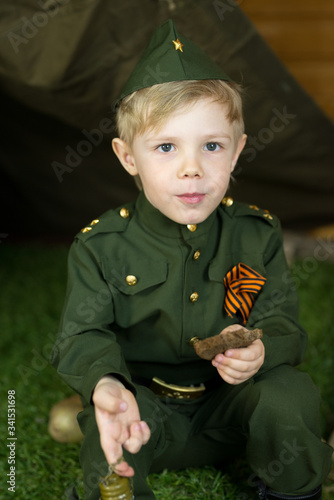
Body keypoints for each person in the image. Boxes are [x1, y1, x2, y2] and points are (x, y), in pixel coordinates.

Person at [51, 19, 332, 500]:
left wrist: (263, 352)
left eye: (212, 146)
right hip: (149, 417)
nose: (191, 168)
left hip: (232, 411)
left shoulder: (256, 233)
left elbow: (284, 326)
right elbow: (82, 336)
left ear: (237, 151)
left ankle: (292, 489)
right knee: (110, 428)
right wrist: (106, 386)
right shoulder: (100, 245)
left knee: (292, 395)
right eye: (165, 147)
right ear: (127, 157)